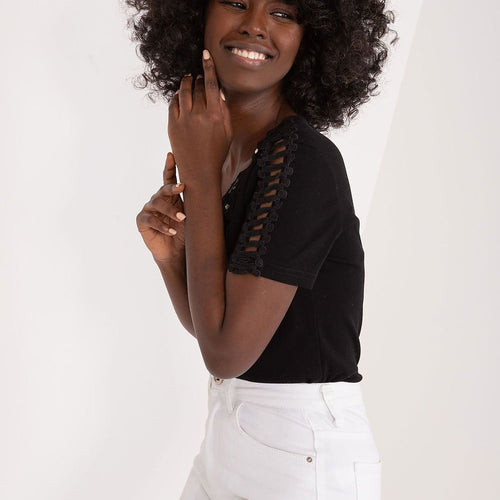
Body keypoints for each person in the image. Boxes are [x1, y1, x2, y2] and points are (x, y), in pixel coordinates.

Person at [128, 1, 398, 498]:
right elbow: (215, 326)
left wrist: (200, 174)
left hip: (300, 456)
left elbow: (226, 353)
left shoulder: (303, 161)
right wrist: (171, 258)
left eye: (283, 12)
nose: (254, 25)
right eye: (236, 2)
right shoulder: (236, 151)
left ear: (312, 36)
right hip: (230, 433)